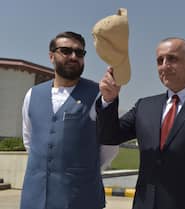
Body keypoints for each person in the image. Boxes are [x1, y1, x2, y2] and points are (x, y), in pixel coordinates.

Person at [96, 37, 185, 209]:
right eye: (160, 60)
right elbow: (109, 136)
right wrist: (109, 100)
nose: (164, 65)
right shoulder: (145, 106)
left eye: (172, 58)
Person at [20, 31, 118, 209]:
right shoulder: (32, 94)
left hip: (79, 198)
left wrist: (82, 170)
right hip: (34, 198)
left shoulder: (98, 95)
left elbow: (109, 146)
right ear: (51, 56)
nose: (74, 56)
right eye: (66, 51)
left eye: (79, 53)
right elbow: (29, 140)